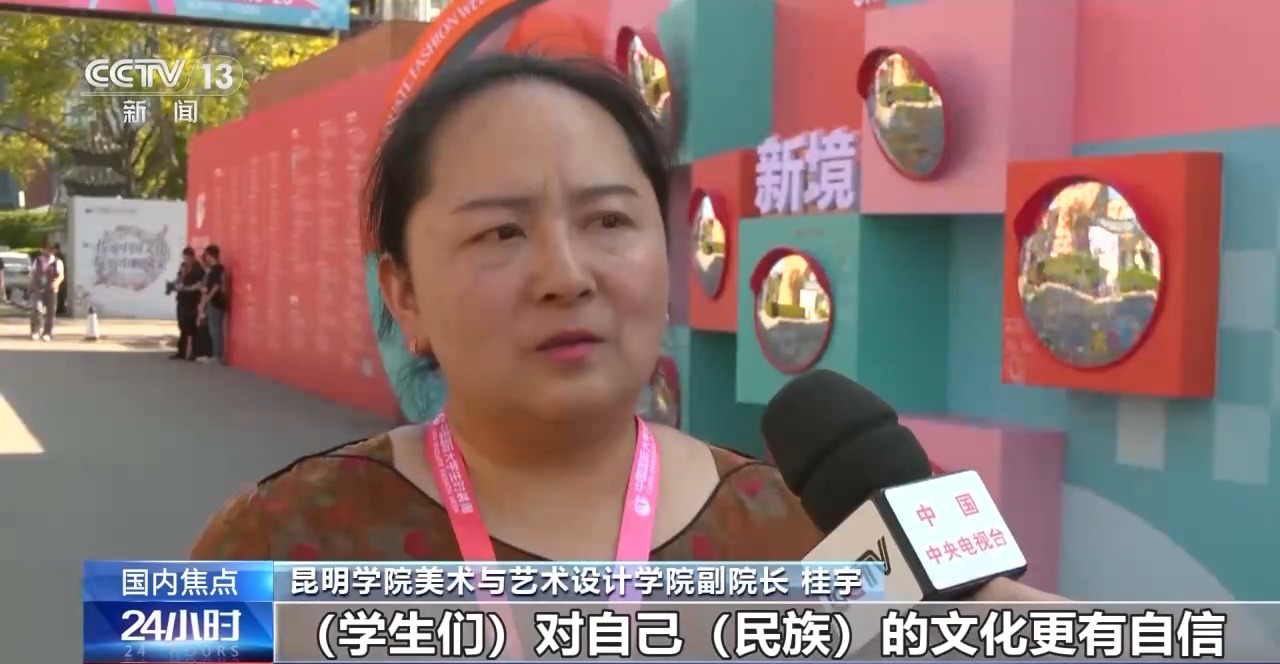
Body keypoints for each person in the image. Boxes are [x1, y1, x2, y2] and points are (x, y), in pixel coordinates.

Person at [186, 54, 1059, 601]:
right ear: (403, 295)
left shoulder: (804, 536)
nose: (567, 275)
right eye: (502, 232)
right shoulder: (283, 545)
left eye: (609, 221)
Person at [172, 247, 205, 361]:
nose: (185, 260)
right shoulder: (183, 266)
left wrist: (185, 288)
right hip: (182, 300)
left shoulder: (198, 268)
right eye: (184, 258)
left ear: (192, 257)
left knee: (191, 326)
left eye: (187, 258)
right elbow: (179, 278)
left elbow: (199, 285)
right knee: (182, 325)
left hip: (192, 301)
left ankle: (195, 352)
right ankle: (181, 352)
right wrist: (175, 284)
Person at [198, 244, 227, 364]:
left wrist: (208, 299)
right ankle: (215, 354)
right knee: (213, 329)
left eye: (207, 256)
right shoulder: (215, 269)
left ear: (210, 255)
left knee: (215, 330)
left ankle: (217, 355)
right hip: (214, 302)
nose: (206, 259)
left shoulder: (217, 269)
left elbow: (216, 285)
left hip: (215, 302)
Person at [28, 240, 63, 341]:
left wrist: (56, 283)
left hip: (51, 290)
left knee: (51, 312)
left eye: (51, 249)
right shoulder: (38, 261)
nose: (48, 251)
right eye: (47, 249)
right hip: (38, 288)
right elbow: (33, 274)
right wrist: (32, 286)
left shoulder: (57, 262)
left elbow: (61, 275)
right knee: (37, 309)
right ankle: (35, 331)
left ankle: (47, 333)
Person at [53, 242, 68, 316]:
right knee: (61, 295)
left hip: (60, 277)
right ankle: (60, 309)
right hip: (62, 277)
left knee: (60, 295)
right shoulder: (61, 255)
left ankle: (60, 309)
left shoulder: (58, 256)